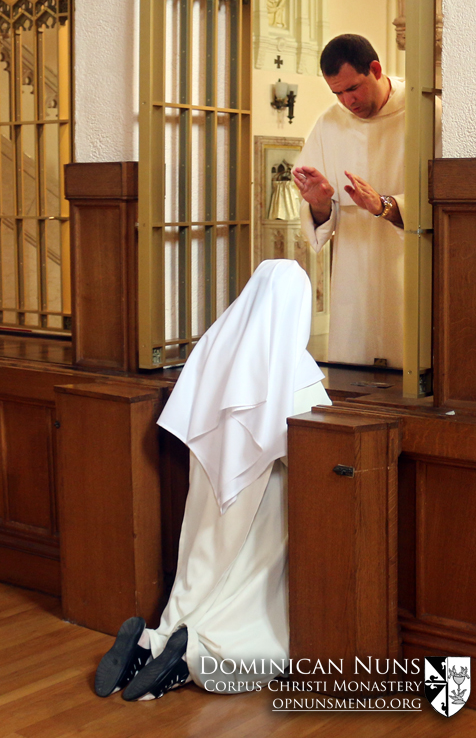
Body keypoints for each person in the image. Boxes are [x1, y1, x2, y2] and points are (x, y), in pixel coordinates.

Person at [95, 259, 332, 701]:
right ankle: (198, 654)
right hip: (264, 491)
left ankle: (155, 640)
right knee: (247, 580)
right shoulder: (292, 366)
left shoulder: (216, 344)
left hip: (207, 482)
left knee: (200, 567)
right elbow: (316, 440)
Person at [293, 34, 405, 369]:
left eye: (353, 88)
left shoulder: (426, 112)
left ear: (375, 69)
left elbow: (447, 197)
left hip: (407, 265)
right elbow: (319, 218)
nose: (347, 101)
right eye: (337, 93)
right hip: (351, 272)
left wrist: (386, 205)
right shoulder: (329, 123)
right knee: (351, 373)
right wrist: (319, 204)